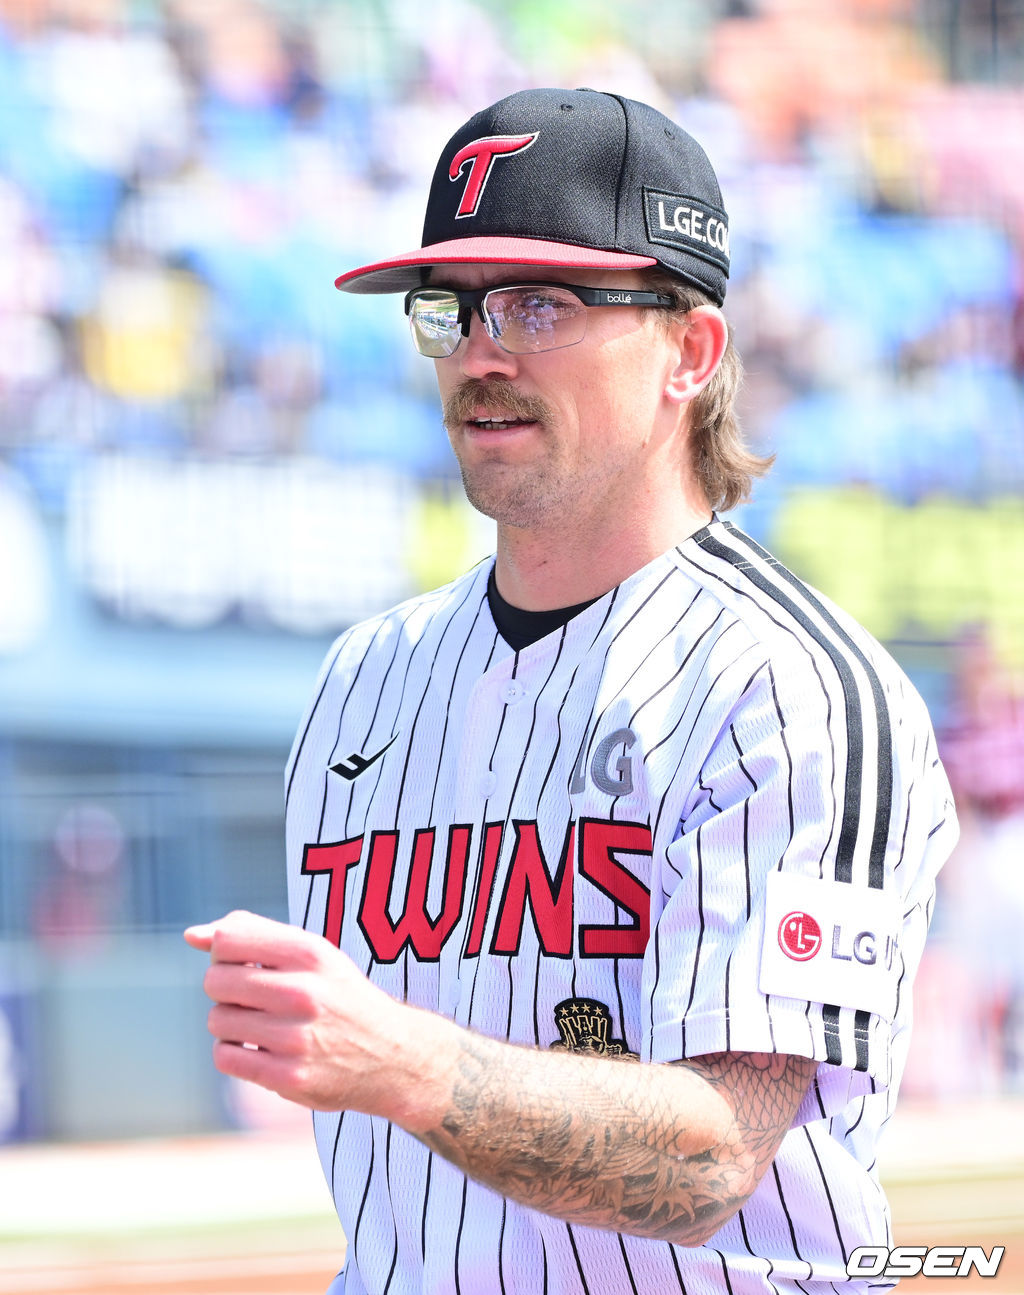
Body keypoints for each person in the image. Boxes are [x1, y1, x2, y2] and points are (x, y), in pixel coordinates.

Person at [186, 87, 958, 1294]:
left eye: (540, 303)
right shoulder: (362, 678)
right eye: (451, 308)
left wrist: (405, 1064)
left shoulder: (788, 689)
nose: (481, 352)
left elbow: (713, 1160)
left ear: (690, 352)